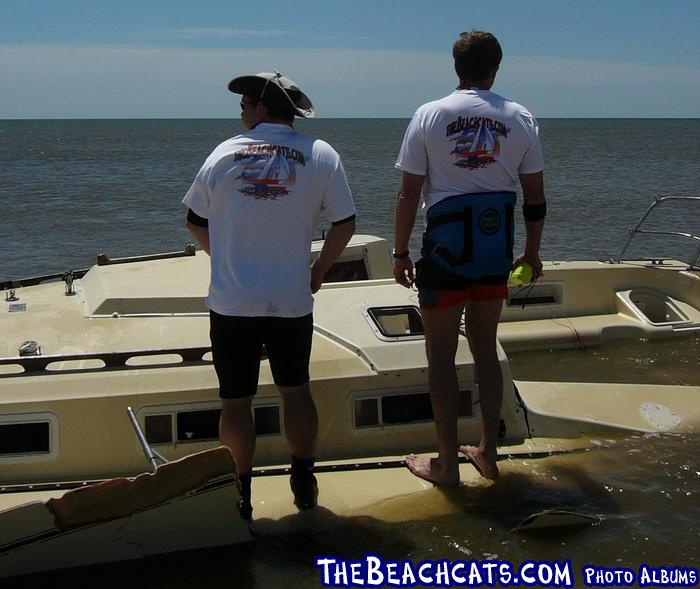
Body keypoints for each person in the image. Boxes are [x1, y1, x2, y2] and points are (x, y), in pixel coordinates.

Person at [183, 70, 356, 519]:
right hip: (291, 299)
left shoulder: (224, 153)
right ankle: (303, 478)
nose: (240, 112)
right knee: (295, 391)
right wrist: (317, 271)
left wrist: (222, 257)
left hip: (233, 300)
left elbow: (194, 220)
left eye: (244, 104)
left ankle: (241, 492)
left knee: (235, 400)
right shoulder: (321, 154)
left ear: (261, 108)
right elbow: (346, 223)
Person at [393, 31, 546, 484]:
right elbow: (534, 199)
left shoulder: (430, 114)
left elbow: (408, 193)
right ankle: (489, 454)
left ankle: (446, 464)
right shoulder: (521, 118)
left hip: (443, 253)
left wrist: (400, 251)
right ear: (496, 68)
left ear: (455, 67)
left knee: (440, 355)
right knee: (485, 348)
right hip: (493, 252)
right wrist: (532, 252)